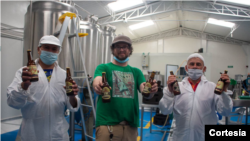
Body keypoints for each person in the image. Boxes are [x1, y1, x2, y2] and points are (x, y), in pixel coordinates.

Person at [7, 35, 80, 141]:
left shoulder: (64, 75)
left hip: (58, 133)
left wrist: (72, 97)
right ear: (39, 49)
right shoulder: (24, 72)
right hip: (32, 133)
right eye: (46, 47)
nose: (50, 51)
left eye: (54, 49)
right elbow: (13, 102)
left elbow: (73, 107)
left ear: (58, 51)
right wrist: (23, 86)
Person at [92, 35, 158, 141]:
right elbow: (97, 81)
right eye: (118, 47)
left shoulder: (136, 72)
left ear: (130, 50)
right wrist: (98, 86)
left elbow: (144, 90)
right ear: (113, 50)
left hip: (130, 127)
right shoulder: (104, 67)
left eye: (125, 47)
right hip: (107, 126)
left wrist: (151, 90)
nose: (122, 49)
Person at [159, 53, 233, 141]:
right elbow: (164, 110)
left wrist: (224, 91)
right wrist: (169, 92)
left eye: (198, 64)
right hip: (181, 137)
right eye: (191, 64)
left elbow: (226, 111)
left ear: (204, 68)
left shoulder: (212, 87)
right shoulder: (177, 87)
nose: (194, 67)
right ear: (186, 68)